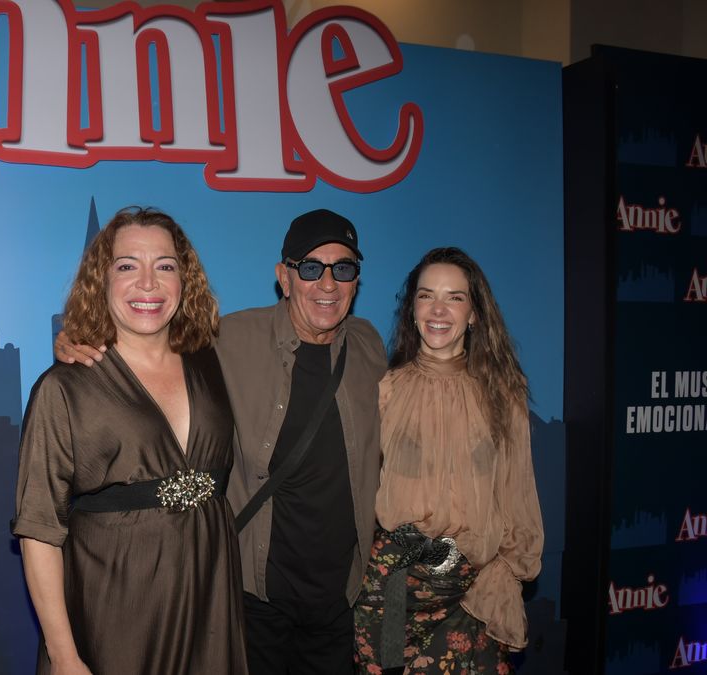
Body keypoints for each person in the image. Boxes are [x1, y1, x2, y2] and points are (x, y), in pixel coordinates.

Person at [58, 209, 386, 674]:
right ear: (284, 277)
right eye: (311, 268)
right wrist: (78, 339)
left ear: (356, 281)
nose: (328, 284)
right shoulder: (227, 338)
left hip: (338, 600)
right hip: (252, 598)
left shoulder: (370, 345)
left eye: (344, 269)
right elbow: (147, 339)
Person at [13, 207, 247, 674]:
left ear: (185, 280)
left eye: (165, 266)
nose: (148, 283)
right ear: (101, 281)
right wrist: (64, 656)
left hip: (211, 599)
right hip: (116, 607)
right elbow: (39, 530)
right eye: (127, 266)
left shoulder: (213, 361)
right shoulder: (65, 388)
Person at [353, 247, 543, 673]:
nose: (438, 310)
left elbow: (518, 494)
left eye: (455, 297)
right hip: (393, 592)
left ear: (474, 313)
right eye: (426, 295)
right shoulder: (385, 391)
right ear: (412, 309)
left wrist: (508, 572)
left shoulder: (503, 395)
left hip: (473, 594)